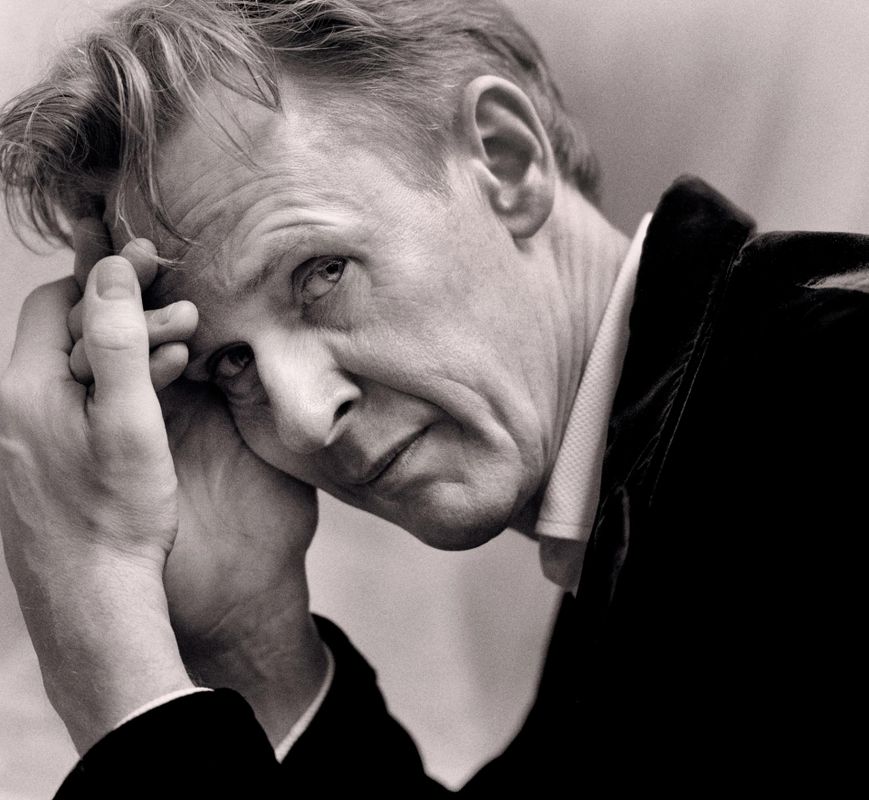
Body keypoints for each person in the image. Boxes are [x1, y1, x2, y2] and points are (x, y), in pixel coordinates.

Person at [0, 0, 865, 795]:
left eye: (322, 274)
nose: (301, 417)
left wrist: (101, 637)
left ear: (506, 159)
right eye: (230, 364)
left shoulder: (827, 406)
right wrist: (249, 639)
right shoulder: (678, 486)